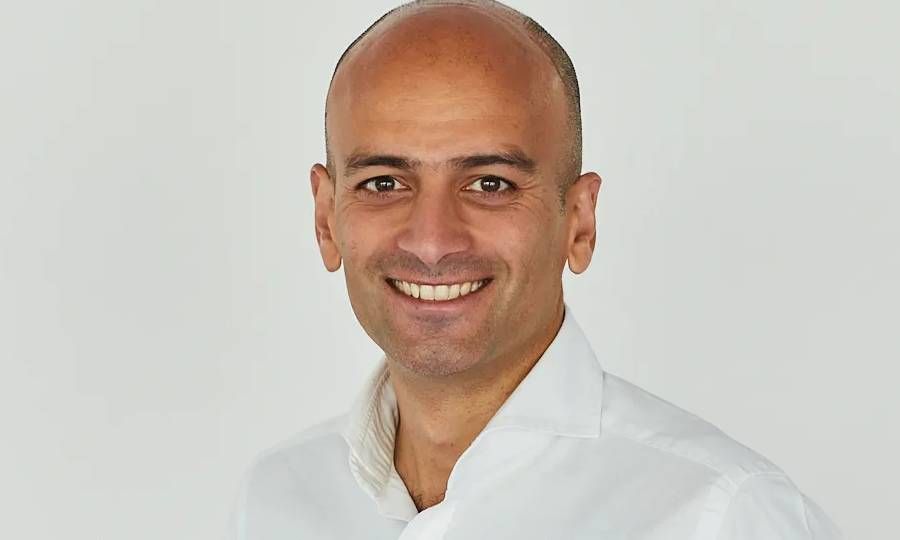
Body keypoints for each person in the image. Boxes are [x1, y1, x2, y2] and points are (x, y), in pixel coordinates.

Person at [231, 1, 843, 538]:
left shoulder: (725, 519)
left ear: (578, 222)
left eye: (490, 183)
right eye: (384, 183)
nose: (432, 242)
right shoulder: (277, 500)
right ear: (326, 219)